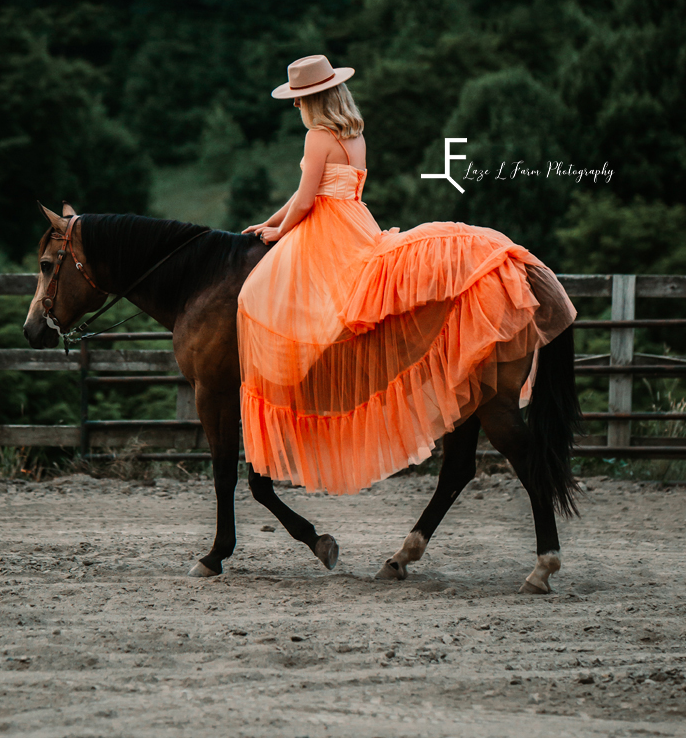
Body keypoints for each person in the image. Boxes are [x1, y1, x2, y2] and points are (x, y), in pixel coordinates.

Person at [238, 54, 576, 496]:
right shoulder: (353, 135)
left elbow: (305, 201)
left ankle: (309, 389)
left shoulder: (317, 136)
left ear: (313, 101)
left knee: (264, 299)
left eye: (298, 100)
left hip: (327, 230)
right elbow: (308, 192)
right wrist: (271, 219)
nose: (295, 108)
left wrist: (277, 232)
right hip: (355, 221)